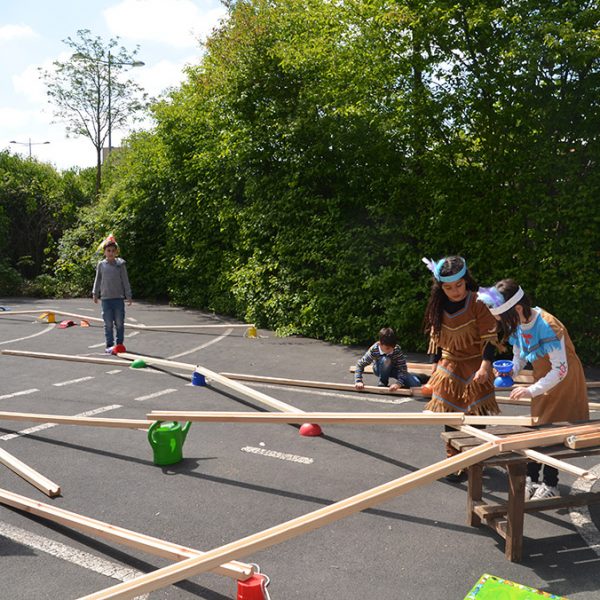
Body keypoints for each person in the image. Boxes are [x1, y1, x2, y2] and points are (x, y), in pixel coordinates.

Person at [478, 279, 589, 500]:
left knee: (552, 432)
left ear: (517, 308)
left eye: (503, 318)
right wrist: (512, 370)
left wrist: (531, 390)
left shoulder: (548, 326)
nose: (502, 324)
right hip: (543, 378)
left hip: (564, 380)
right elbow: (519, 351)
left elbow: (560, 370)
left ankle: (550, 484)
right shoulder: (518, 321)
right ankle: (532, 478)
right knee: (538, 426)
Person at [422, 256, 499, 481]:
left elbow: (490, 338)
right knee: (449, 413)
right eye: (448, 287)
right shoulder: (437, 306)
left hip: (477, 363)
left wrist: (486, 365)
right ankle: (454, 460)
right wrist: (433, 367)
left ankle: (474, 459)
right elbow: (435, 340)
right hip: (450, 363)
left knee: (476, 415)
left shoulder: (478, 302)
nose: (455, 291)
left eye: (459, 285)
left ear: (466, 280)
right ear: (441, 288)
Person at [92, 235, 132, 353]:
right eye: (108, 251)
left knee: (119, 323)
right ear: (104, 252)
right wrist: (95, 293)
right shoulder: (101, 265)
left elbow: (125, 280)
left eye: (113, 251)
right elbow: (97, 279)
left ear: (116, 252)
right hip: (106, 299)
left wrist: (128, 295)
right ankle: (109, 345)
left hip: (118, 299)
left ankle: (119, 344)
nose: (111, 253)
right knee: (108, 323)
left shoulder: (120, 265)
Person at [354, 327, 412, 391]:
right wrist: (358, 381)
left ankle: (418, 377)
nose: (390, 350)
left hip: (394, 370)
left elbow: (402, 368)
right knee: (386, 360)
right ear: (380, 344)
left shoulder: (396, 349)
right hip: (379, 369)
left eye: (392, 347)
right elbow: (360, 364)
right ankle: (383, 381)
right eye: (387, 348)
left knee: (415, 383)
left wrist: (398, 383)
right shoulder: (374, 349)